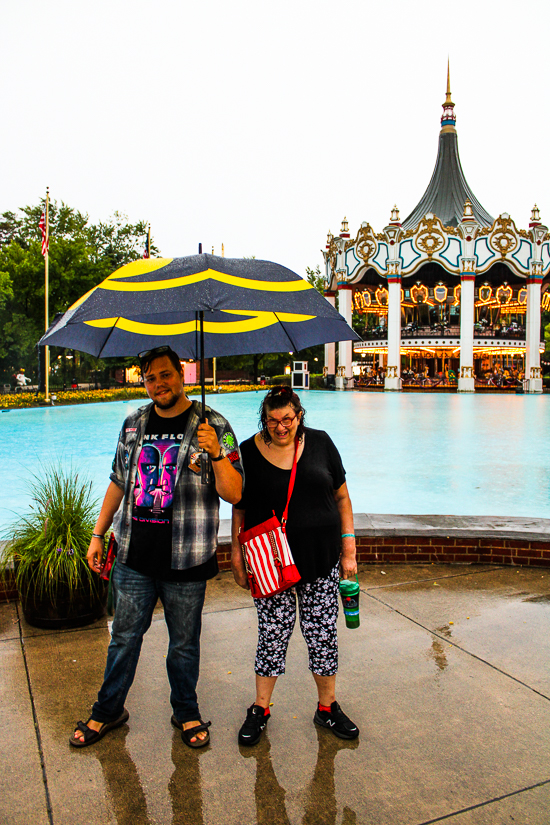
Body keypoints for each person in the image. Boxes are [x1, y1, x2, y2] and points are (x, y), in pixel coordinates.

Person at [69, 345, 243, 749]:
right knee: (124, 638)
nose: (159, 384)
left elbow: (236, 493)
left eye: (165, 374)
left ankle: (186, 710)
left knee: (183, 643)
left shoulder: (216, 425)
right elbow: (118, 481)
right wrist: (98, 534)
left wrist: (217, 453)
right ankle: (108, 710)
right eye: (150, 378)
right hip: (135, 555)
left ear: (181, 373)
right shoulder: (134, 423)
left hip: (187, 556)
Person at [231, 385, 359, 747]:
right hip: (270, 565)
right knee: (272, 635)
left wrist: (348, 548)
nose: (281, 427)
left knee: (322, 634)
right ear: (264, 419)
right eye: (273, 420)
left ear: (299, 416)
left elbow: (342, 497)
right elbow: (239, 508)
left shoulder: (321, 443)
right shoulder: (248, 452)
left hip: (321, 558)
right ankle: (260, 708)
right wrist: (236, 554)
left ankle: (327, 707)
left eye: (287, 419)